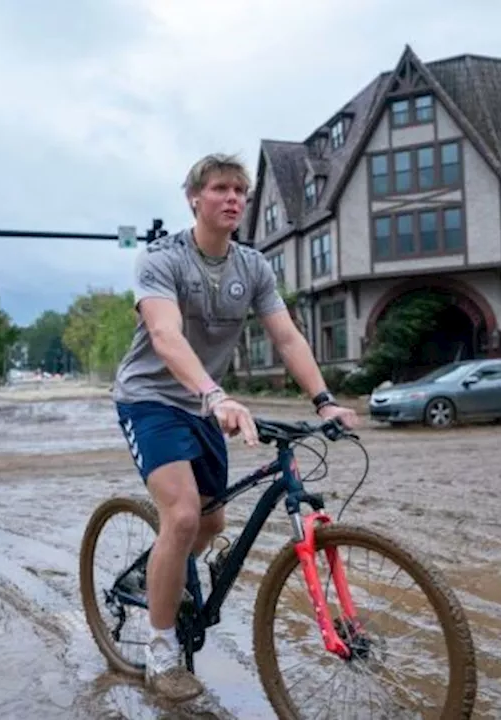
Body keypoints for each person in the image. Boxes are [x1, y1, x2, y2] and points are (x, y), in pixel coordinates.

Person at [111, 153, 359, 701]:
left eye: (241, 191)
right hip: (151, 399)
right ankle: (159, 649)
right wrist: (216, 394)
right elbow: (165, 336)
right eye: (221, 188)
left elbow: (288, 337)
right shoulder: (162, 259)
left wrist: (324, 402)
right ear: (194, 199)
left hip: (204, 403)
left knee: (213, 521)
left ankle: (156, 574)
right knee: (179, 518)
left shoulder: (253, 267)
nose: (233, 199)